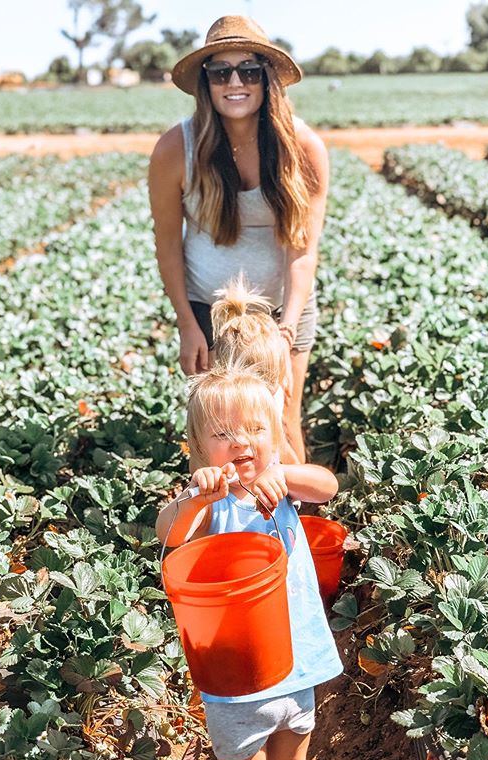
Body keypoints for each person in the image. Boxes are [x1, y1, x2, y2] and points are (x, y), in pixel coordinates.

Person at [148, 15, 330, 463]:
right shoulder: (176, 148)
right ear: (205, 82)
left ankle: (294, 525)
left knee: (281, 416)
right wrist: (188, 325)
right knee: (217, 429)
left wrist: (285, 331)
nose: (235, 81)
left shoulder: (302, 148)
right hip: (208, 309)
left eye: (248, 70)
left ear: (268, 79)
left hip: (280, 311)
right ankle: (220, 528)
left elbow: (303, 252)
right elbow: (167, 244)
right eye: (220, 71)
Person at [156, 367, 342, 760]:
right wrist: (193, 497)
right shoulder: (210, 503)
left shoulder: (283, 484)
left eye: (256, 429)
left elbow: (327, 486)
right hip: (237, 680)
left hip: (298, 664)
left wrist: (285, 475)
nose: (241, 441)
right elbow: (168, 533)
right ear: (200, 447)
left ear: (274, 437)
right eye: (223, 432)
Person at [211, 273, 299, 462]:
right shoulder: (217, 407)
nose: (264, 392)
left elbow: (282, 447)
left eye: (271, 381)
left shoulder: (274, 396)